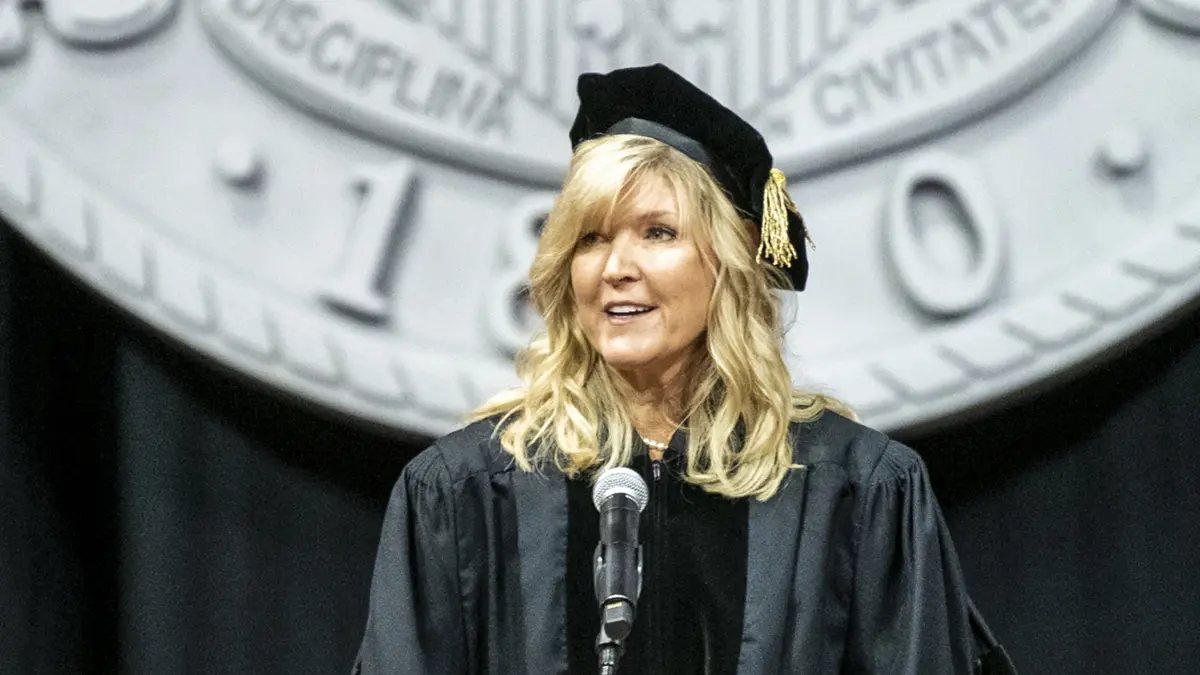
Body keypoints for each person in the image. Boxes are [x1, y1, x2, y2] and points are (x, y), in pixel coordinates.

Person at [352, 63, 1016, 675]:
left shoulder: (854, 493)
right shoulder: (465, 495)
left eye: (657, 233)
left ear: (726, 264)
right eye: (591, 237)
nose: (616, 267)